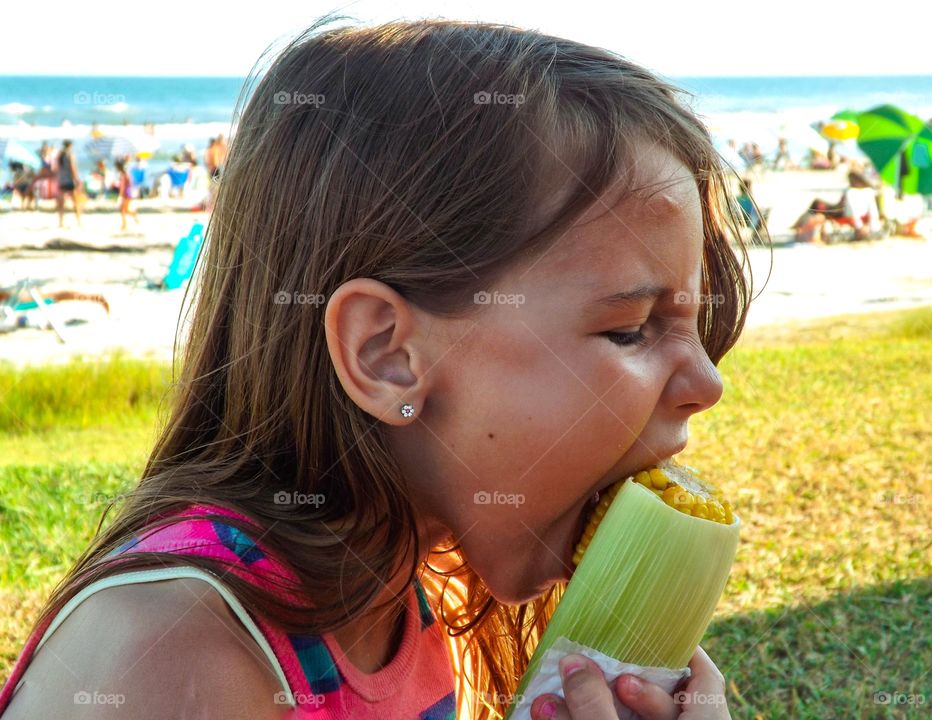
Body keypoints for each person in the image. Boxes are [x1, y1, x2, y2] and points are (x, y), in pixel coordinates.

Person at [0, 16, 747, 720]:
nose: (705, 384)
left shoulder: (408, 591)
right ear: (386, 355)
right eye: (629, 329)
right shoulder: (172, 652)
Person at [792, 170, 880, 243]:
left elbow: (852, 211)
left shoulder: (852, 192)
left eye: (851, 179)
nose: (850, 181)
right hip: (842, 211)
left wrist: (859, 226)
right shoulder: (868, 191)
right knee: (816, 205)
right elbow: (872, 211)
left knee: (816, 205)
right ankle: (799, 227)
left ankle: (799, 228)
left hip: (840, 213)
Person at [54, 139, 83, 228]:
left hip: (62, 179)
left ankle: (61, 222)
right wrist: (77, 179)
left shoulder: (60, 155)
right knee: (76, 202)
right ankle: (78, 221)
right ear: (70, 145)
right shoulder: (70, 154)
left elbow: (56, 168)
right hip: (70, 180)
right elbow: (73, 168)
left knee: (61, 202)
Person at [115, 158, 139, 231]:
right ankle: (133, 217)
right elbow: (130, 183)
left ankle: (125, 224)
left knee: (123, 210)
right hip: (128, 193)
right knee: (124, 210)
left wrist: (120, 195)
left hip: (126, 194)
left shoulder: (123, 175)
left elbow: (122, 186)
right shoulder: (126, 174)